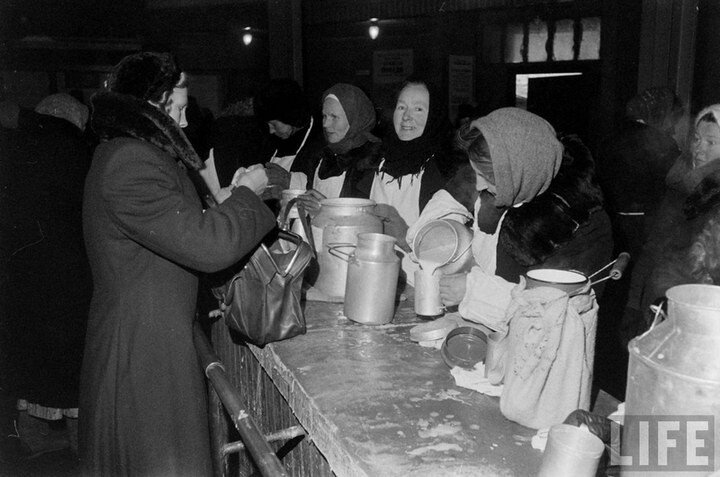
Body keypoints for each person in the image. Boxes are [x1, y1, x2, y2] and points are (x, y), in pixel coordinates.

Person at [79, 52, 276, 476]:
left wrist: (221, 204)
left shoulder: (131, 153)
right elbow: (207, 247)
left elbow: (174, 232)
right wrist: (248, 195)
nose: (185, 123)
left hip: (150, 338)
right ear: (151, 105)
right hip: (142, 353)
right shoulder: (131, 162)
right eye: (179, 110)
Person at [408, 107, 612, 330]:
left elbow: (556, 316)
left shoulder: (575, 223)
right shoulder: (504, 186)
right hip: (492, 336)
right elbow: (449, 204)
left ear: (519, 171)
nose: (479, 186)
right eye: (476, 174)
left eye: (487, 177)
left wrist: (474, 292)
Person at [0, 93, 92, 455]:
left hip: (22, 279)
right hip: (71, 279)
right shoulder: (78, 153)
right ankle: (81, 447)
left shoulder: (14, 150)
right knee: (73, 373)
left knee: (31, 369)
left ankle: (33, 443)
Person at [624, 104, 720, 340]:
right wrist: (633, 305)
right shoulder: (678, 185)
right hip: (656, 305)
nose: (699, 149)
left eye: (711, 142)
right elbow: (652, 248)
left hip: (696, 318)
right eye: (696, 139)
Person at [293, 83, 382, 214]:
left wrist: (327, 211)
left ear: (355, 119)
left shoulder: (372, 162)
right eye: (324, 116)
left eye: (334, 117)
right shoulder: (321, 156)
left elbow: (368, 219)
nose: (325, 124)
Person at [254, 78, 321, 194]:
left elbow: (322, 190)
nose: (270, 131)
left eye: (274, 124)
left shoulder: (319, 142)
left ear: (290, 117)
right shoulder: (269, 143)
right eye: (267, 124)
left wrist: (290, 181)